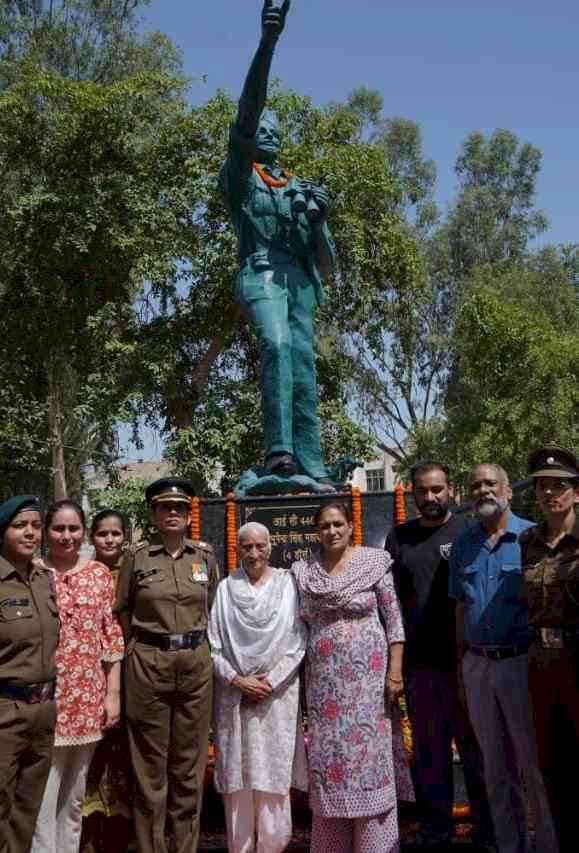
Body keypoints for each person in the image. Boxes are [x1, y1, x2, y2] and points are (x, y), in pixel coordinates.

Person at [220, 0, 337, 485]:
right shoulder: (241, 177)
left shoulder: (296, 188)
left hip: (298, 279)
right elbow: (249, 109)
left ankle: (310, 460)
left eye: (273, 131)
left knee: (304, 362)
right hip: (261, 272)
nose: (265, 132)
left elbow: (326, 264)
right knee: (277, 343)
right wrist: (268, 43)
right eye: (259, 129)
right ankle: (279, 453)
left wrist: (318, 219)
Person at [449, 464, 558, 853]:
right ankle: (511, 847)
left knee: (534, 766)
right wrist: (463, 670)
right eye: (475, 485)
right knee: (494, 769)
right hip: (477, 665)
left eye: (490, 484)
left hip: (521, 663)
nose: (483, 490)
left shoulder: (531, 538)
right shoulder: (463, 546)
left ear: (508, 490)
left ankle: (546, 844)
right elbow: (461, 609)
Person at [292, 502, 412, 853]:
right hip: (324, 689)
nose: (332, 531)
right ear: (317, 531)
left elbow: (395, 621)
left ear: (349, 526)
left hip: (369, 688)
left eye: (338, 524)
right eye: (325, 526)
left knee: (369, 760)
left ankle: (376, 843)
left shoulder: (374, 564)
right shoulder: (304, 573)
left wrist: (394, 672)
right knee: (330, 761)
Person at [386, 460, 494, 849]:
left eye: (437, 490)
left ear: (450, 490)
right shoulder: (399, 538)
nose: (430, 498)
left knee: (475, 753)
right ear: (412, 493)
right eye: (422, 491)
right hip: (420, 668)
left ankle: (487, 832)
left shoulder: (470, 531)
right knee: (430, 759)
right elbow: (392, 603)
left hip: (466, 665)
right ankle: (437, 832)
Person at [115, 477, 221, 853]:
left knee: (188, 767)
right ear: (154, 515)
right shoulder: (137, 558)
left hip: (194, 665)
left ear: (190, 515)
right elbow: (122, 610)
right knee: (149, 769)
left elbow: (212, 609)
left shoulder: (204, 556)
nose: (173, 513)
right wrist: (136, 652)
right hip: (147, 665)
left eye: (180, 508)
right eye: (165, 508)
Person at [208, 521, 307, 853]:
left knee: (272, 778)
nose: (254, 553)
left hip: (275, 696)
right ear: (237, 550)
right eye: (246, 547)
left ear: (270, 546)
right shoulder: (225, 589)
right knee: (238, 780)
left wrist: (270, 681)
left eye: (260, 546)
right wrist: (237, 680)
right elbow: (214, 647)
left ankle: (273, 846)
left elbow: (297, 642)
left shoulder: (287, 585)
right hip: (234, 695)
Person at [31, 500, 124, 853]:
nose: (66, 536)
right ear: (47, 532)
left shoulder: (99, 574)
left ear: (82, 531)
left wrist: (111, 694)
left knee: (74, 795)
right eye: (59, 528)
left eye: (73, 529)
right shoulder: (34, 572)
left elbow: (110, 636)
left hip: (88, 698)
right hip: (46, 699)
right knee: (44, 792)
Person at [519, 445, 579, 853]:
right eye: (542, 486)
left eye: (559, 486)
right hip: (542, 666)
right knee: (552, 766)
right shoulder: (529, 541)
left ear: (576, 491)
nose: (549, 494)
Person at [0, 495, 60, 853]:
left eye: (36, 526)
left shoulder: (43, 578)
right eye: (20, 525)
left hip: (43, 712)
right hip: (6, 710)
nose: (30, 533)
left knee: (26, 810)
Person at [81, 510, 131, 853]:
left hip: (130, 676)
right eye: (102, 534)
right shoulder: (81, 574)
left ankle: (117, 841)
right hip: (87, 676)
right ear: (92, 538)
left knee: (124, 763)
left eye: (116, 533)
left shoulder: (135, 571)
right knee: (89, 763)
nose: (110, 540)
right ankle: (86, 841)